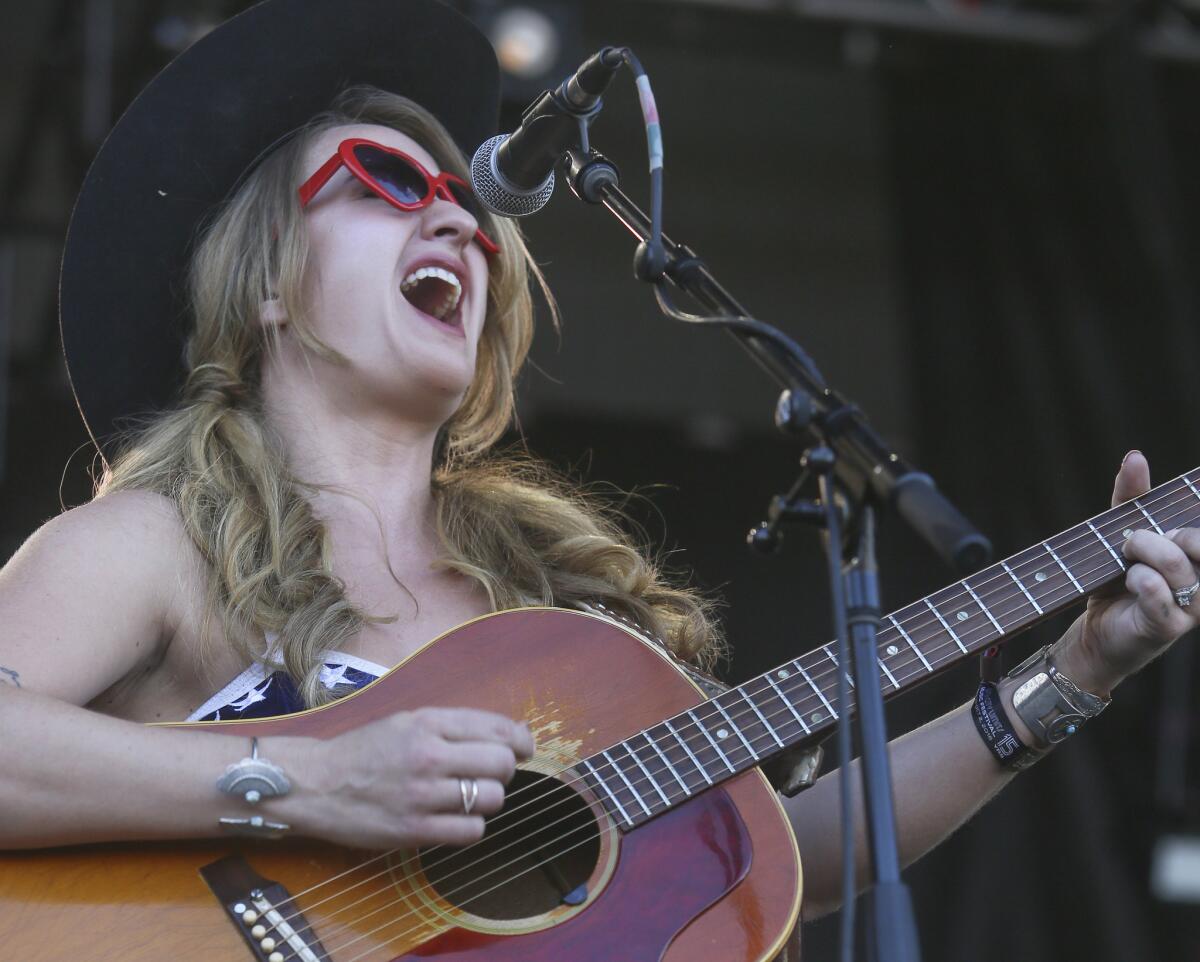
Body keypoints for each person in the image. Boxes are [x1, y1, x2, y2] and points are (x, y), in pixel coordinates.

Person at [0, 0, 1197, 953]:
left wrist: (1068, 674)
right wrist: (313, 779)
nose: (461, 223)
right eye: (388, 180)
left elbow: (771, 854)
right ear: (259, 278)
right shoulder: (157, 543)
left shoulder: (561, 627)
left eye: (471, 206)